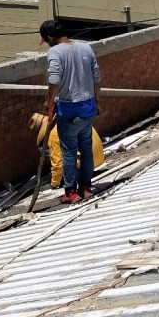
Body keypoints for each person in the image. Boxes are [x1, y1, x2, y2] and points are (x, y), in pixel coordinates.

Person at [39, 20, 102, 204]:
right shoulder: (85, 48)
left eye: (47, 40)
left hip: (68, 109)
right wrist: (97, 101)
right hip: (88, 106)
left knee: (68, 151)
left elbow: (55, 79)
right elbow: (96, 77)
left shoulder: (55, 52)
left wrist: (50, 101)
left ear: (50, 38)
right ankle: (86, 188)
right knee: (86, 147)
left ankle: (70, 192)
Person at [28, 112, 105, 190]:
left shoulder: (53, 134)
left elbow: (57, 163)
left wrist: (54, 184)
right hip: (98, 158)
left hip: (85, 165)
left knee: (66, 166)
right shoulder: (67, 121)